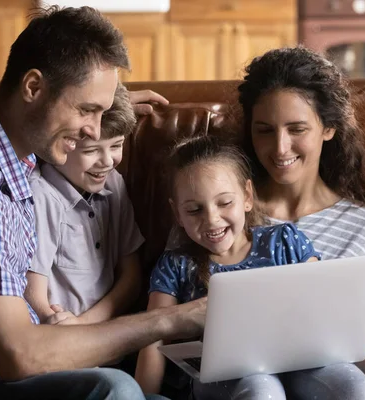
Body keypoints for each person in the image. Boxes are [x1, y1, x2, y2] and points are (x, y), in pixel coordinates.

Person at [0, 6, 206, 400]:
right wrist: (168, 321)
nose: (92, 130)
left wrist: (104, 103)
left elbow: (48, 116)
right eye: (86, 110)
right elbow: (19, 355)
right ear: (32, 87)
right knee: (113, 389)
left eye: (99, 112)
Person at [238, 46, 365, 399]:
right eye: (265, 130)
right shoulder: (220, 214)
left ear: (328, 127)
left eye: (296, 129)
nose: (280, 148)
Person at [134, 135, 321, 398]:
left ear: (246, 196)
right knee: (262, 388)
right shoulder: (175, 265)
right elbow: (153, 338)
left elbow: (327, 311)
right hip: (221, 378)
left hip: (297, 365)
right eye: (194, 210)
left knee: (351, 386)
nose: (211, 220)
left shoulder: (285, 242)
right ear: (177, 213)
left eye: (224, 203)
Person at [25, 82, 143, 326]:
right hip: (61, 339)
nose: (108, 161)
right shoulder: (42, 195)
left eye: (117, 146)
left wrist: (86, 325)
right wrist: (55, 319)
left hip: (101, 334)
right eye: (91, 151)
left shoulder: (114, 183)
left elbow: (131, 277)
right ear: (61, 143)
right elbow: (32, 290)